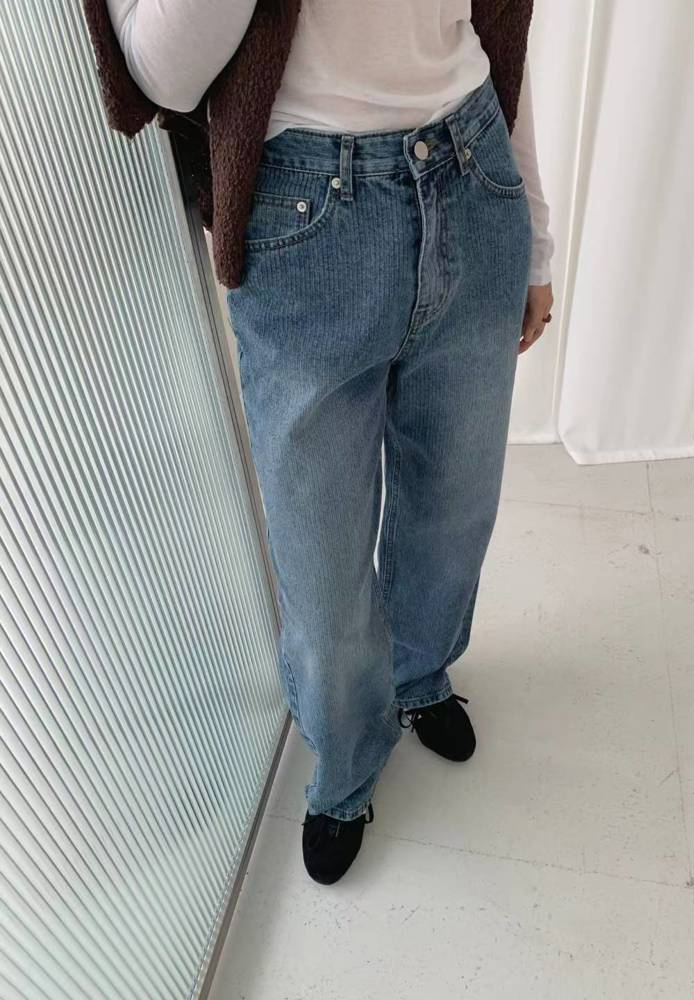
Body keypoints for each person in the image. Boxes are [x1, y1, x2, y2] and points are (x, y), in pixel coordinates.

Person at [102, 0, 554, 884]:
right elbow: (164, 76)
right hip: (307, 212)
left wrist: (536, 238)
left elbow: (500, 31)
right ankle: (346, 766)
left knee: (455, 508)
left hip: (471, 169)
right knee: (321, 561)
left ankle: (420, 675)